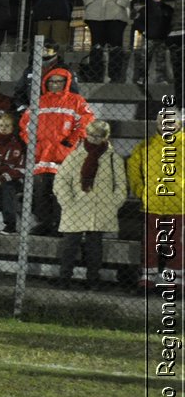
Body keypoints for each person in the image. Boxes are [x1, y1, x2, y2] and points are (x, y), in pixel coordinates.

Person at [53, 120, 126, 288]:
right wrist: (67, 201)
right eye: (91, 135)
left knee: (95, 245)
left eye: (98, 136)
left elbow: (121, 185)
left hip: (101, 206)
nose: (93, 139)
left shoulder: (113, 159)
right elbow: (61, 180)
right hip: (75, 205)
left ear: (105, 137)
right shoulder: (75, 156)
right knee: (70, 244)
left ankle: (93, 279)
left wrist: (113, 203)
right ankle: (64, 278)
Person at [20, 66, 92, 236]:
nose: (55, 85)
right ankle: (44, 223)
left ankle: (60, 225)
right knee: (41, 192)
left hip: (64, 153)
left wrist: (71, 140)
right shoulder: (39, 101)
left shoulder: (76, 101)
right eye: (52, 81)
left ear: (67, 83)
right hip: (42, 153)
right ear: (46, 83)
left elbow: (86, 121)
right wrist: (33, 143)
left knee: (62, 191)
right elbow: (25, 125)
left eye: (59, 81)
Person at [126, 110, 185, 290]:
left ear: (179, 124)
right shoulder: (146, 146)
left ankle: (175, 279)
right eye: (161, 122)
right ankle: (148, 278)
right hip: (152, 203)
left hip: (180, 204)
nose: (165, 125)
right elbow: (133, 170)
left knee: (177, 243)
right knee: (151, 243)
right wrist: (141, 190)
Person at [136, 0, 177, 87]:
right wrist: (144, 31)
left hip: (162, 39)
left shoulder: (168, 10)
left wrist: (168, 33)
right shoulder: (145, 10)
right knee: (144, 59)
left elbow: (172, 23)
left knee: (161, 59)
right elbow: (137, 22)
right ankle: (141, 77)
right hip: (148, 39)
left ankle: (160, 78)